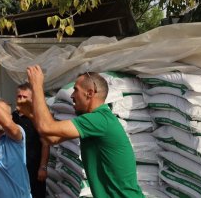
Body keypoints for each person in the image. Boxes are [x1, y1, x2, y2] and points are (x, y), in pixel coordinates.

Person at [21, 65, 143, 197]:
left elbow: (47, 127)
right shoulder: (95, 120)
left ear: (90, 93)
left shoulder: (99, 120)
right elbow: (51, 138)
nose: (72, 95)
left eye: (75, 90)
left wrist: (37, 86)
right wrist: (32, 115)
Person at [12, 83, 49, 198]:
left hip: (34, 169)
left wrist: (42, 167)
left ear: (32, 99)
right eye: (19, 96)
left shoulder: (37, 118)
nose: (21, 99)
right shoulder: (12, 117)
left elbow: (45, 144)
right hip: (15, 168)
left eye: (25, 97)